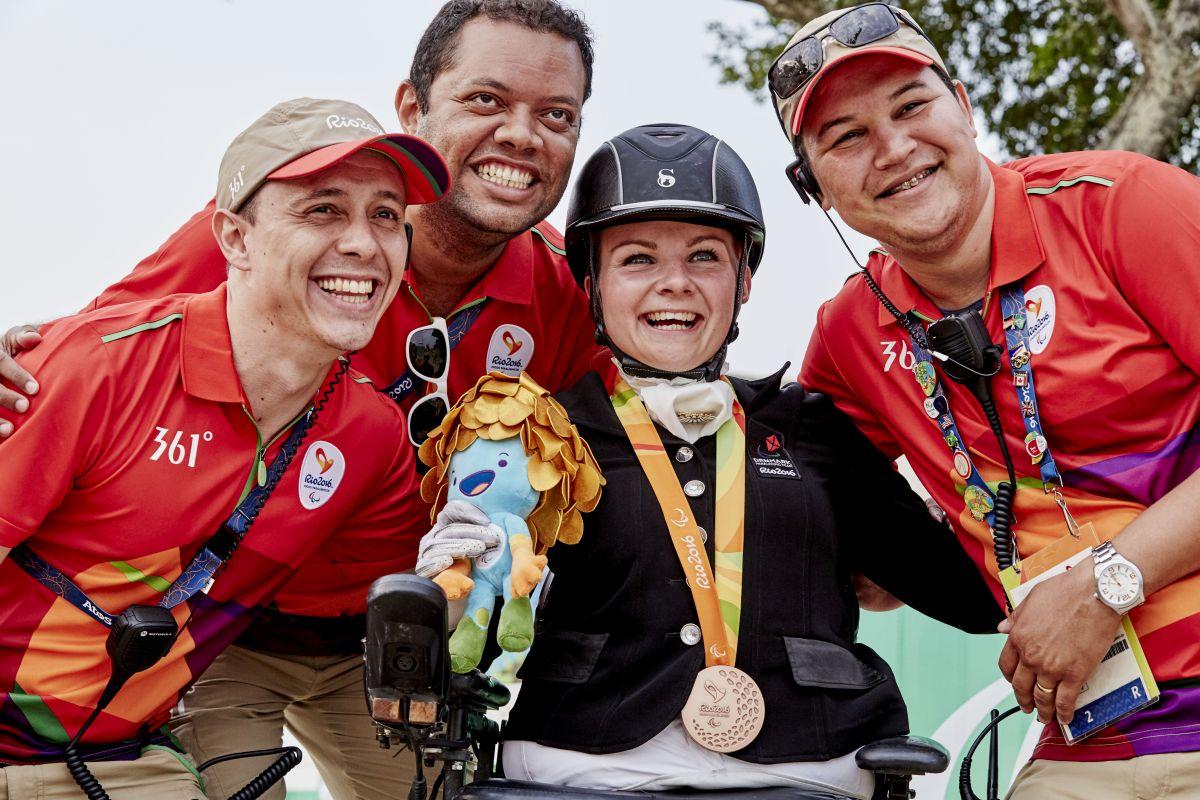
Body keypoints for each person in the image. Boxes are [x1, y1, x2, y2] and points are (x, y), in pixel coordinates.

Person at [0, 3, 605, 797]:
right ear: (414, 110)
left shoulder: (565, 290)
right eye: (487, 100)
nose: (523, 135)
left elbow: (634, 437)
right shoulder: (266, 227)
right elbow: (79, 362)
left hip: (383, 636)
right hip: (226, 633)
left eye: (556, 114)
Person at [424, 123, 1003, 798]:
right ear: (591, 283)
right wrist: (451, 585)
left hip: (812, 764)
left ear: (745, 279)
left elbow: (970, 596)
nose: (674, 283)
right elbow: (483, 636)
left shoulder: (810, 424)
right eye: (637, 259)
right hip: (584, 766)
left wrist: (980, 465)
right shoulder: (540, 432)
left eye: (704, 257)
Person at [767, 4, 1200, 797]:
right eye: (846, 137)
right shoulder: (851, 333)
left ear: (964, 108)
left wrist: (1109, 582)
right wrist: (886, 555)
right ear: (813, 189)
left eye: (911, 107)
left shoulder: (1121, 204)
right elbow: (799, 488)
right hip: (1087, 745)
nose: (894, 148)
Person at [0, 97, 444, 799]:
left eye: (386, 215)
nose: (364, 243)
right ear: (234, 240)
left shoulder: (372, 434)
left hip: (123, 761)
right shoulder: (93, 364)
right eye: (323, 210)